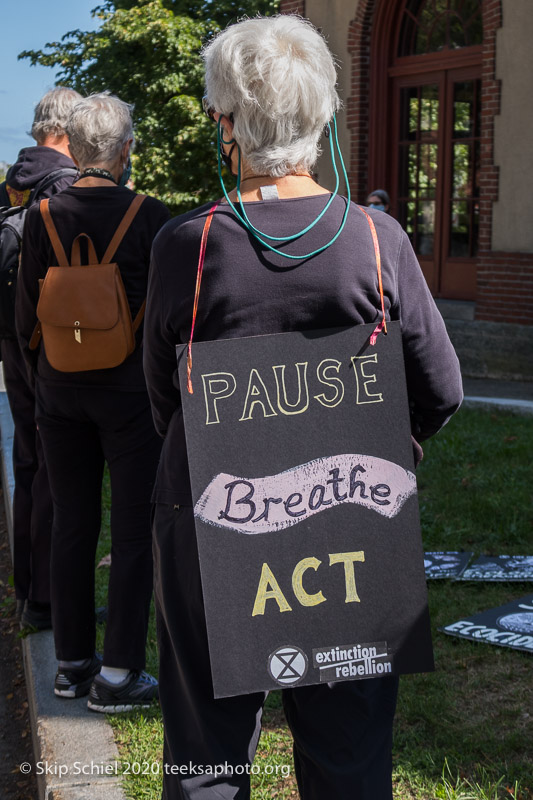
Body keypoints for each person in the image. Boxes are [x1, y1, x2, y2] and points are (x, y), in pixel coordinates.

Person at [144, 15, 463, 799]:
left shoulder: (187, 245)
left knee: (207, 757)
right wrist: (394, 440)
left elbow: (161, 396)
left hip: (216, 515)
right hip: (350, 535)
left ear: (225, 121)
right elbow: (441, 389)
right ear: (323, 118)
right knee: (349, 752)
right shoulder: (375, 238)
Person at [16, 92, 170, 712]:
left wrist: (44, 376)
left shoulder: (41, 215)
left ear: (73, 150)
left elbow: (27, 309)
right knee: (133, 531)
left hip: (59, 389)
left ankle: (71, 664)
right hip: (130, 396)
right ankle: (118, 674)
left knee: (72, 523)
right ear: (126, 149)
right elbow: (163, 317)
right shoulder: (152, 216)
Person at [0, 87, 81, 629]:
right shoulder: (67, 185)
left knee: (28, 465)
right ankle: (50, 599)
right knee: (55, 470)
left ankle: (28, 591)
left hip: (11, 334)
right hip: (50, 339)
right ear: (72, 131)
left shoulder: (13, 181)